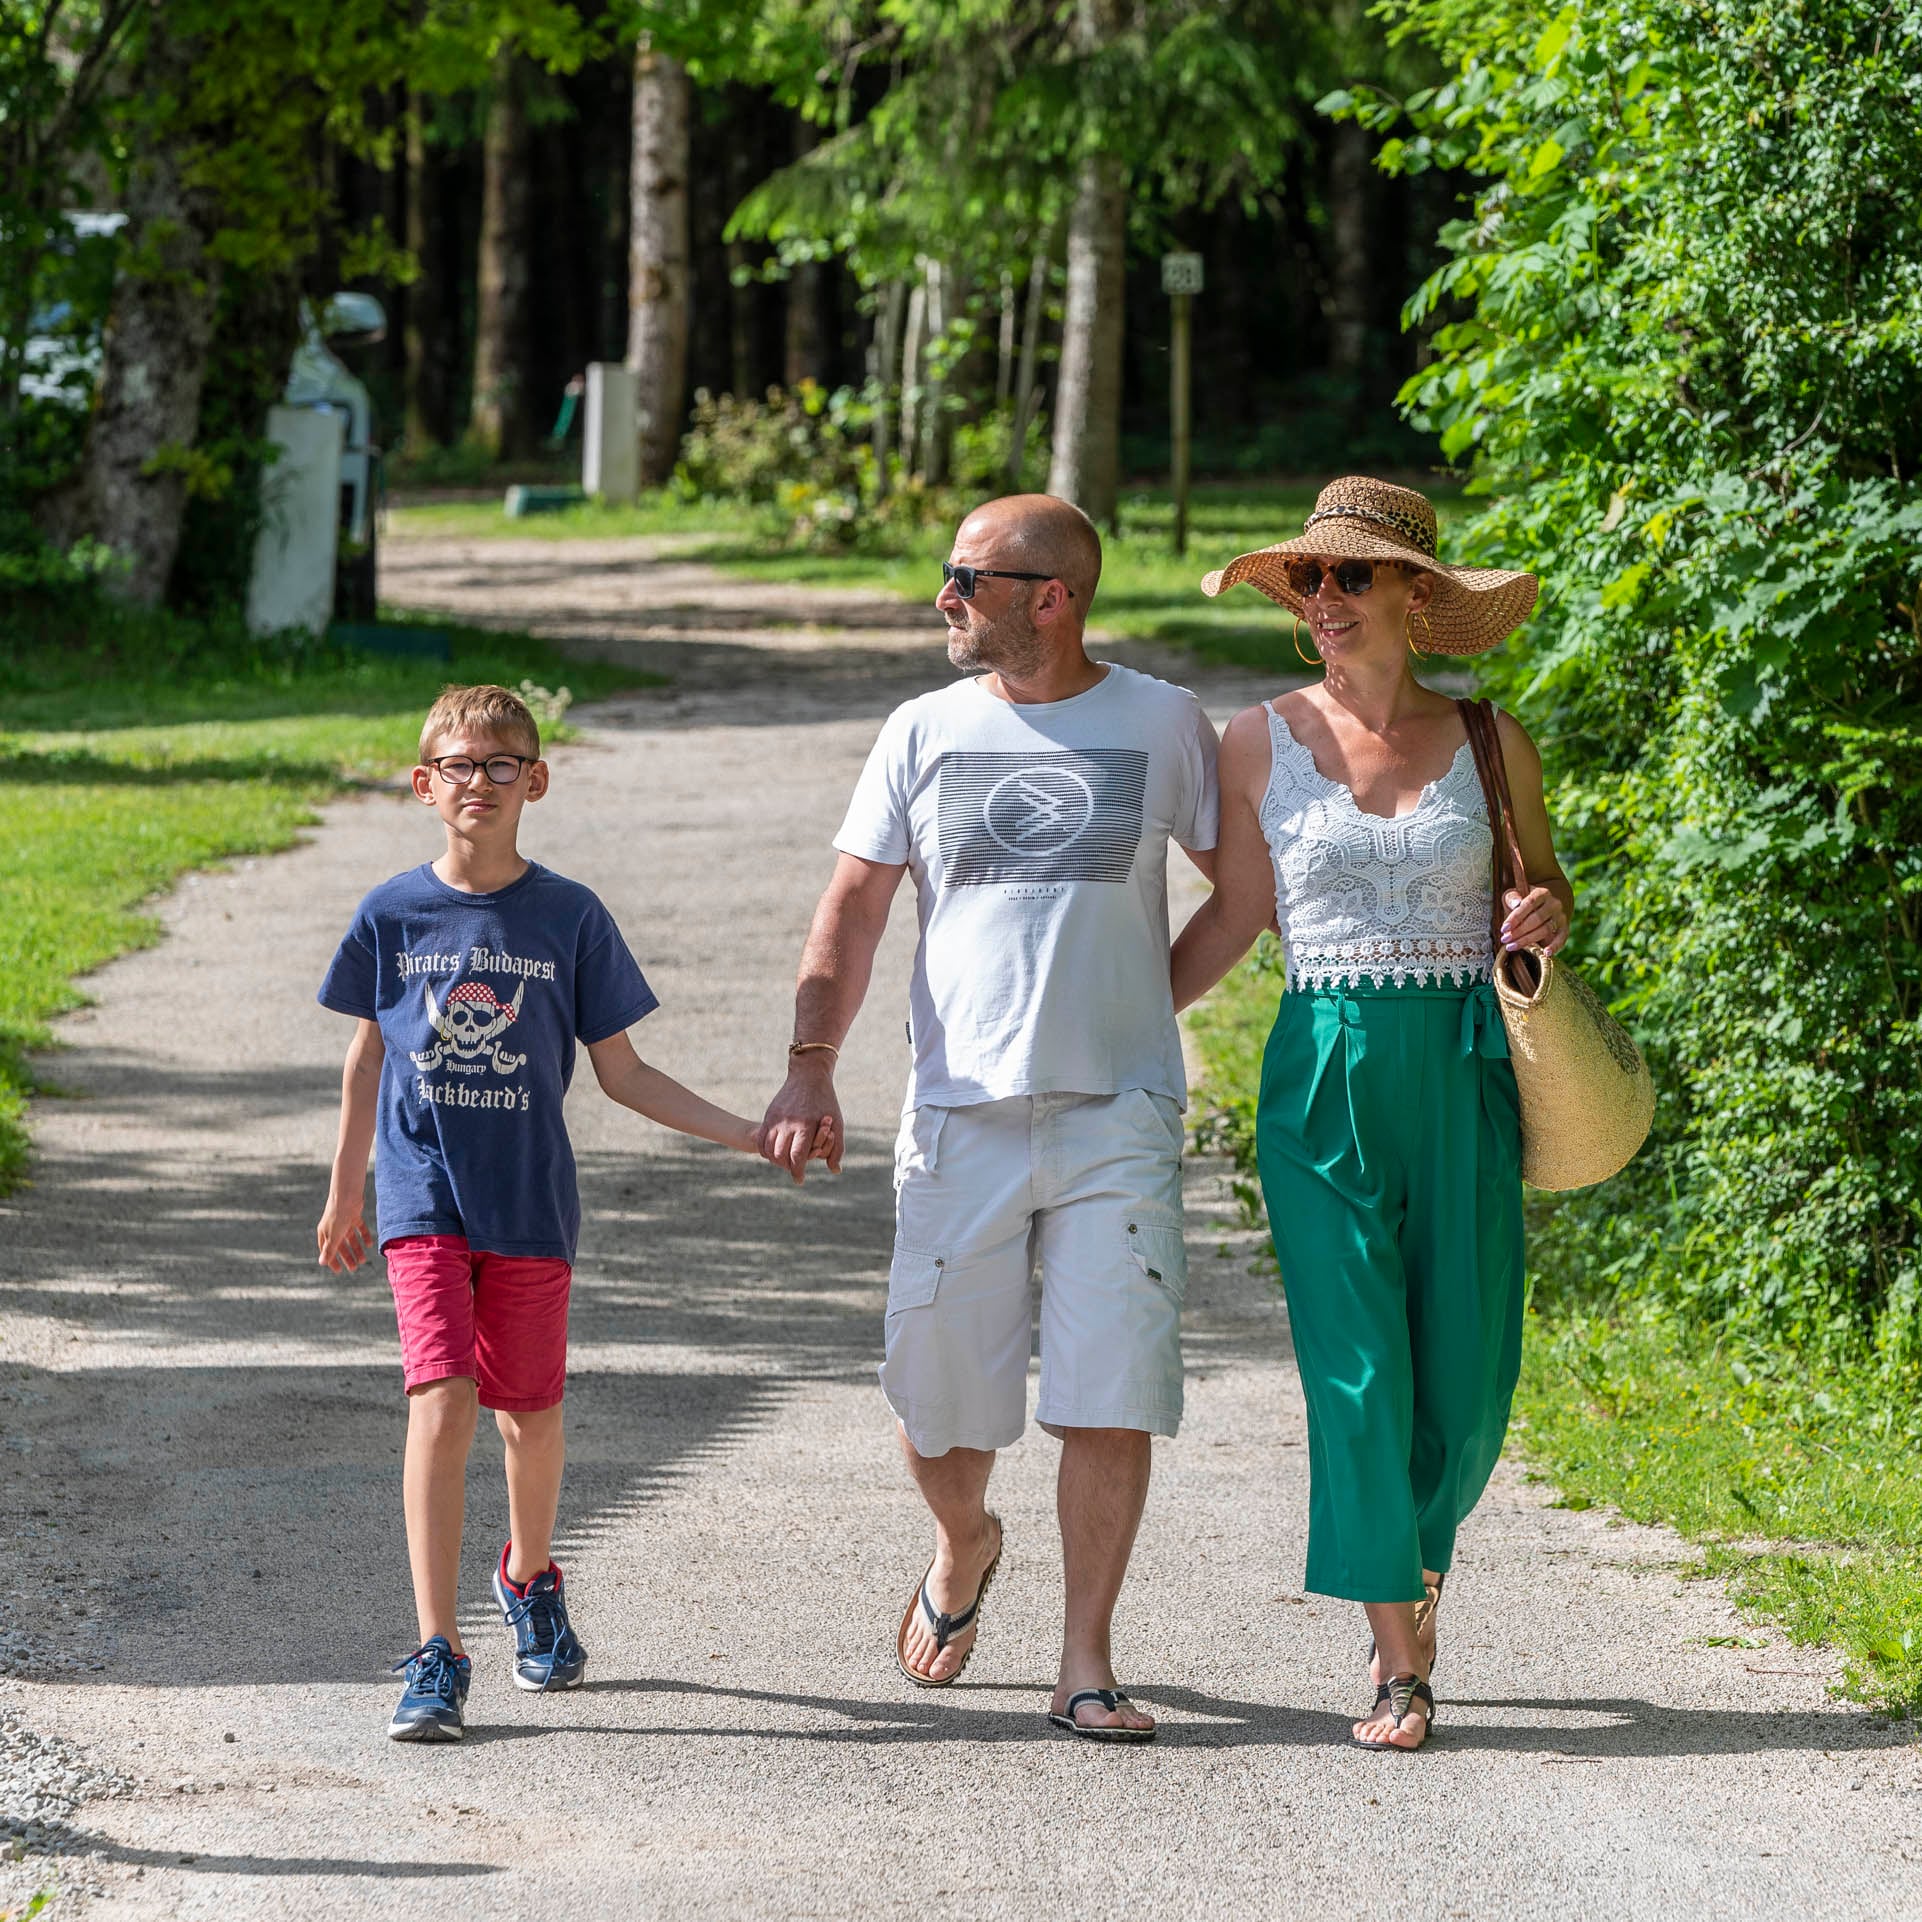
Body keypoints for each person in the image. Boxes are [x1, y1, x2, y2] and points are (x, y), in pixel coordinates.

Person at [759, 495, 1220, 1743]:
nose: (941, 598)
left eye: (965, 577)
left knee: (1108, 1390)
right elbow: (851, 907)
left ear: (1051, 598)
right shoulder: (921, 727)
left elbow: (1245, 893)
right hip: (958, 1112)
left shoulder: (1162, 720)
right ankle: (965, 1541)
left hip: (1116, 1111)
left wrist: (1142, 995)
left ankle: (1082, 1660)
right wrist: (810, 1062)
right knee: (934, 1399)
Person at [1171, 477, 1571, 1752]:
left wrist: (1543, 912)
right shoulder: (1257, 739)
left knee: (1467, 1374)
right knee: (1354, 1369)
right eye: (1308, 579)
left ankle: (1414, 1555)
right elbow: (1234, 918)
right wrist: (1119, 1025)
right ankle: (1399, 1660)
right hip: (1321, 1071)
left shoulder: (1492, 737)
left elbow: (1543, 882)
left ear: (1413, 593)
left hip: (1461, 1069)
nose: (1323, 598)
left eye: (1347, 577)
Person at [315, 683, 794, 1743]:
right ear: (422, 784)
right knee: (439, 1395)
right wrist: (347, 1187)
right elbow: (366, 1055)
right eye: (456, 764)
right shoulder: (393, 912)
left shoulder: (568, 915)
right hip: (421, 1193)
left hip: (528, 1203)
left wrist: (746, 1132)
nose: (475, 781)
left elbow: (623, 1072)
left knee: (526, 1416)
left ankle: (528, 1575)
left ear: (535, 779)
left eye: (499, 764)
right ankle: (435, 1650)